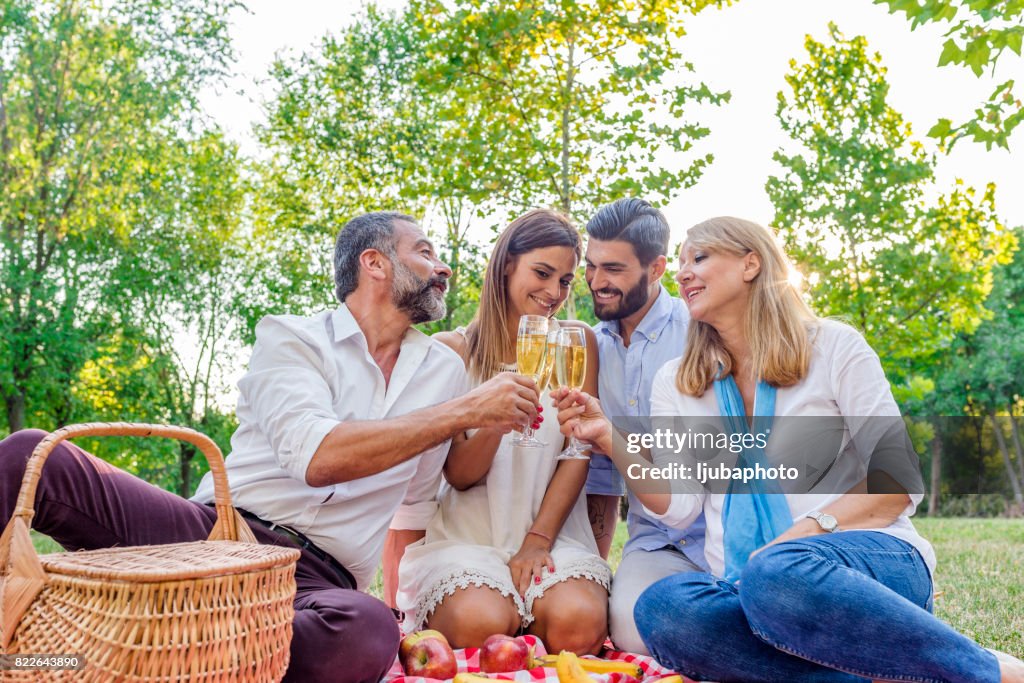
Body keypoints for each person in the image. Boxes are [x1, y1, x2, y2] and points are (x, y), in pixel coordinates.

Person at [0, 211, 541, 683]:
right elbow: (317, 458)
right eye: (424, 253)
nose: (443, 268)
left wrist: (406, 617)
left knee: (366, 632)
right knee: (31, 454)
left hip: (313, 580)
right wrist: (465, 412)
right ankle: (184, 640)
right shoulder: (292, 337)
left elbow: (412, 509)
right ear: (374, 264)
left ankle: (152, 637)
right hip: (214, 535)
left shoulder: (443, 371)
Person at [554, 216, 1024, 683]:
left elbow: (898, 482)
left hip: (861, 563)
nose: (683, 274)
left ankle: (985, 672)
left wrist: (794, 540)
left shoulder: (835, 346)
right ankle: (883, 672)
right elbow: (678, 507)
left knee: (776, 573)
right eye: (680, 264)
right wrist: (608, 437)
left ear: (751, 263)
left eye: (699, 257)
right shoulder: (677, 381)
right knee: (661, 608)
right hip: (748, 586)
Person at [396, 209, 611, 655]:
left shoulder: (576, 341)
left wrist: (537, 542)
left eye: (566, 281)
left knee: (579, 624)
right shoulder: (452, 352)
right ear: (507, 264)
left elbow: (577, 451)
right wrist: (495, 422)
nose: (554, 292)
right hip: (469, 535)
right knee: (481, 623)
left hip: (552, 533)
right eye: (543, 273)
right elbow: (459, 475)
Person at [581, 197, 709, 655]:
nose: (597, 282)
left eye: (613, 269)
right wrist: (595, 575)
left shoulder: (702, 332)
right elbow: (600, 477)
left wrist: (623, 442)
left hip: (723, 532)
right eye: (591, 266)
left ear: (656, 268)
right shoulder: (591, 348)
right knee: (633, 632)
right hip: (655, 543)